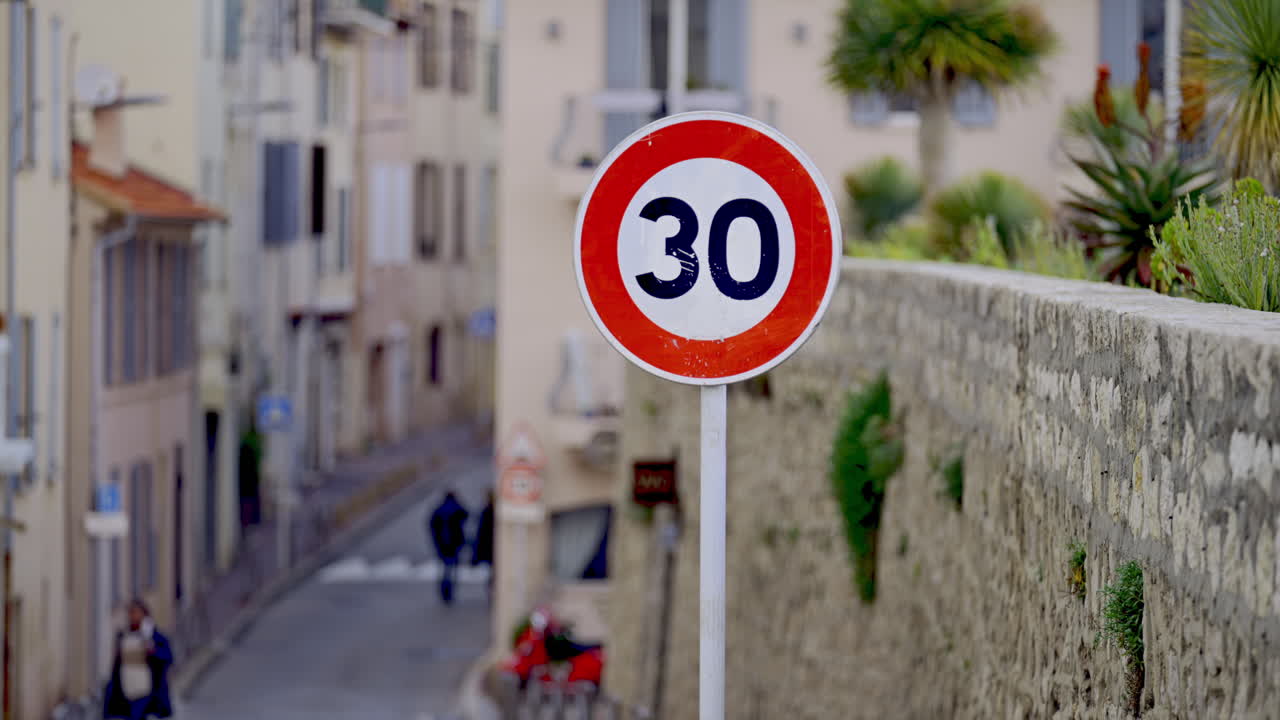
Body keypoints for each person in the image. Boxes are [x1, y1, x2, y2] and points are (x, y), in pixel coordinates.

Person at [103, 599, 174, 720]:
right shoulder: (123, 636)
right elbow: (117, 664)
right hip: (125, 686)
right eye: (130, 613)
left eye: (136, 613)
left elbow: (167, 658)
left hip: (145, 688)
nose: (133, 616)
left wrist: (152, 650)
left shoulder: (155, 637)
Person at [428, 490, 469, 605]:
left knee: (444, 569)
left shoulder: (439, 510)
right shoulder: (456, 508)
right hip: (454, 545)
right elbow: (466, 515)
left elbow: (432, 526)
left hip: (443, 545)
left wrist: (437, 541)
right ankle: (449, 591)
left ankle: (444, 590)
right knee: (451, 569)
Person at [472, 490, 495, 601]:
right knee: (494, 572)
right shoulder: (491, 511)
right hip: (492, 547)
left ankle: (492, 591)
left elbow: (481, 533)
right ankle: (493, 591)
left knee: (493, 572)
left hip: (489, 547)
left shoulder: (487, 511)